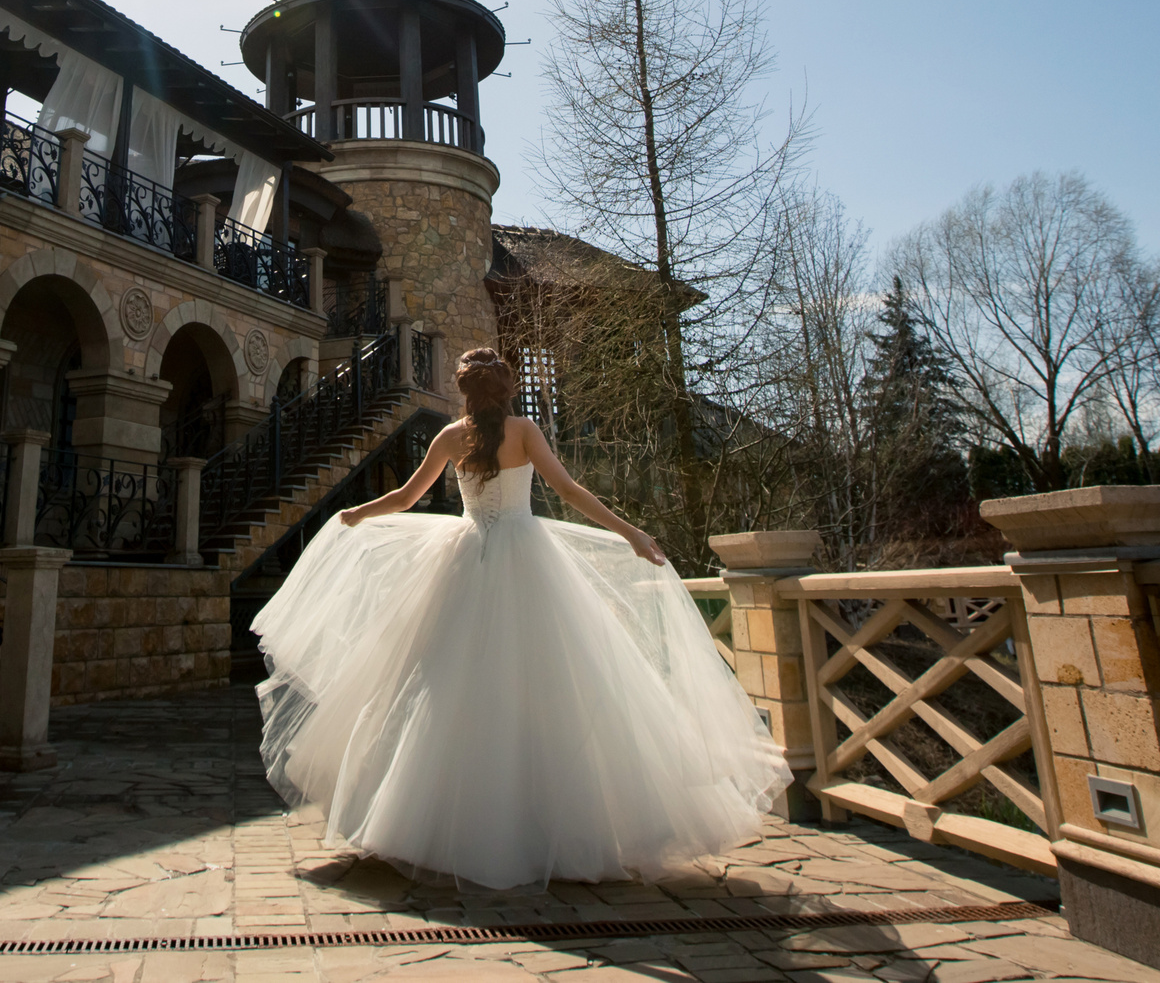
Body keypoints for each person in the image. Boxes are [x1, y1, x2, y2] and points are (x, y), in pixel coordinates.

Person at [252, 346, 791, 889]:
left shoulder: (448, 437)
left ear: (464, 392)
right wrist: (632, 534)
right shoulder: (526, 431)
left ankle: (435, 825)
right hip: (525, 553)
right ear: (506, 389)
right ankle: (539, 824)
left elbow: (407, 496)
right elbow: (570, 491)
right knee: (550, 688)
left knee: (443, 687)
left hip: (463, 558)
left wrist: (355, 513)